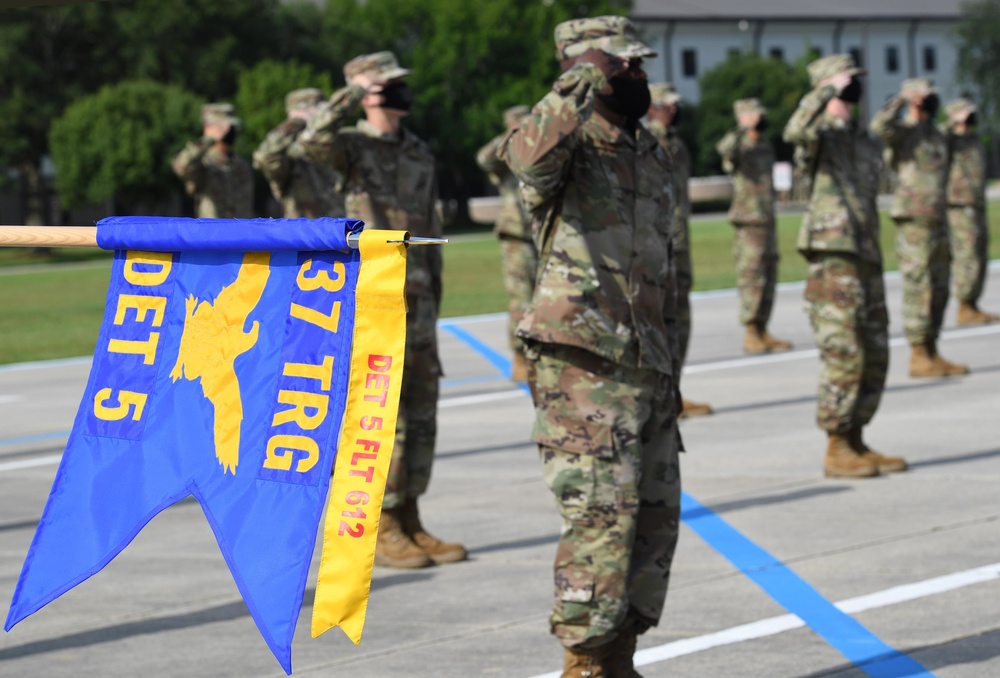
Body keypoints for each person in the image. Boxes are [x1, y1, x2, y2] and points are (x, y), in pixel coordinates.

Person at [500, 16, 682, 676]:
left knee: (652, 528)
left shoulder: (650, 152)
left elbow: (665, 268)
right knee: (600, 525)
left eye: (639, 64)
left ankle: (619, 661)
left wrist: (672, 368)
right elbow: (524, 160)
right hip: (582, 364)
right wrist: (575, 81)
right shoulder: (565, 143)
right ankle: (584, 665)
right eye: (625, 65)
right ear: (592, 71)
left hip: (647, 364)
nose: (640, 76)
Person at [298, 51, 466, 568]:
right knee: (379, 413)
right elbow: (310, 142)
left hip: (419, 297)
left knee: (420, 415)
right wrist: (351, 91)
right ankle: (379, 524)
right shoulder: (349, 147)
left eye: (397, 82)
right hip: (373, 298)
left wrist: (436, 295)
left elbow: (429, 220)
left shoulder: (418, 151)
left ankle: (409, 514)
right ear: (366, 94)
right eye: (386, 85)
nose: (397, 92)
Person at [784, 54, 907, 478]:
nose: (853, 90)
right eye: (847, 83)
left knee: (875, 351)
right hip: (832, 254)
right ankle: (836, 445)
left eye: (855, 82)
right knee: (844, 351)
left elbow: (886, 139)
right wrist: (824, 91)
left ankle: (856, 437)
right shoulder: (820, 137)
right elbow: (794, 131)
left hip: (866, 253)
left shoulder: (861, 138)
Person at [870, 79, 969, 377]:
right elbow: (878, 127)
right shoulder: (903, 133)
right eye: (925, 98)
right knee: (920, 286)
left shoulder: (936, 134)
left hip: (939, 217)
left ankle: (932, 350)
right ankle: (918, 354)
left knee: (940, 286)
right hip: (914, 219)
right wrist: (900, 101)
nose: (931, 102)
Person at [645, 82, 713, 418]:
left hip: (679, 242)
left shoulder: (678, 145)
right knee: (661, 321)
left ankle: (673, 393)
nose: (674, 110)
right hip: (657, 247)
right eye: (667, 105)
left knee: (680, 321)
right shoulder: (645, 141)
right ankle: (659, 397)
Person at [716, 98, 792, 354]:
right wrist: (741, 128)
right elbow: (724, 151)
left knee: (769, 274)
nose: (761, 119)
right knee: (752, 277)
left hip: (766, 218)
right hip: (749, 221)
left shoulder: (764, 145)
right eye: (756, 115)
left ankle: (762, 328)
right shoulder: (740, 147)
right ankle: (750, 331)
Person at [476, 105, 537, 382]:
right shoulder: (504, 160)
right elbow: (484, 159)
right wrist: (511, 135)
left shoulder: (539, 151)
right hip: (516, 234)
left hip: (543, 232)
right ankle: (520, 356)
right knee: (521, 299)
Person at [942, 97, 999, 325]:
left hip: (976, 204)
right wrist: (952, 123)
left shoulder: (973, 140)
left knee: (979, 254)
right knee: (967, 256)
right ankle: (964, 306)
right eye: (966, 114)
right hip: (959, 206)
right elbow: (938, 138)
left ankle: (972, 304)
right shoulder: (949, 139)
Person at [253, 87, 345, 219]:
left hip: (338, 233)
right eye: (318, 112)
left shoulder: (328, 145)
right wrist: (296, 122)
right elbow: (265, 157)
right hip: (305, 235)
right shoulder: (289, 155)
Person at [172, 103, 254, 218]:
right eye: (224, 128)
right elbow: (181, 166)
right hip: (211, 234)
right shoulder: (204, 163)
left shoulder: (241, 165)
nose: (230, 131)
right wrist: (207, 139)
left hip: (241, 234)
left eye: (231, 128)